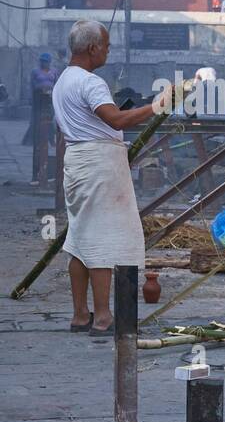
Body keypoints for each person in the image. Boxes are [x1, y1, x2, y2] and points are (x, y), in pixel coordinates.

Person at [53, 20, 166, 334]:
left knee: (78, 239)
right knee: (100, 240)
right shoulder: (90, 82)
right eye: (106, 45)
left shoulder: (63, 80)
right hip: (98, 164)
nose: (108, 50)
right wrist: (155, 107)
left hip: (77, 161)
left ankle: (80, 315)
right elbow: (115, 119)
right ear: (92, 48)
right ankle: (103, 317)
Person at [28, 53, 59, 185]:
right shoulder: (35, 72)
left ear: (49, 62)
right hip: (39, 102)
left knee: (50, 129)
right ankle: (37, 174)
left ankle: (51, 138)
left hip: (50, 102)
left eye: (46, 62)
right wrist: (41, 91)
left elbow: (57, 85)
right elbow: (33, 86)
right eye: (42, 61)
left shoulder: (54, 72)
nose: (44, 63)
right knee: (39, 140)